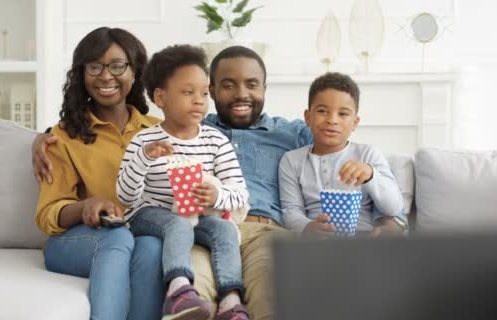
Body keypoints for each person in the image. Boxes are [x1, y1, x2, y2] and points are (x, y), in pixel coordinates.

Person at [34, 45, 409, 320]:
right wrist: (44, 136)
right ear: (210, 90)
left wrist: (394, 221)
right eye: (227, 85)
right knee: (192, 289)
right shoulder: (193, 129)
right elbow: (136, 131)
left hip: (266, 230)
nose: (241, 93)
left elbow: (346, 147)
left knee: (270, 291)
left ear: (265, 88)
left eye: (252, 84)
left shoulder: (295, 132)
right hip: (204, 227)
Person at [34, 27, 165, 320]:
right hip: (74, 243)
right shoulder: (63, 137)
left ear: (135, 72)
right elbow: (47, 215)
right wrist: (86, 207)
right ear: (82, 74)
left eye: (117, 65)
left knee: (152, 247)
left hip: (137, 234)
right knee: (117, 238)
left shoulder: (159, 131)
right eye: (94, 66)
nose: (106, 76)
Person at [116, 44, 250, 320]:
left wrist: (216, 196)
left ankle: (230, 301)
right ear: (161, 97)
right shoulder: (144, 141)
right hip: (150, 214)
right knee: (177, 224)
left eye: (204, 92)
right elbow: (125, 197)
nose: (200, 100)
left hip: (196, 217)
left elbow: (239, 193)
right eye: (188, 93)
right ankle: (179, 291)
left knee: (224, 230)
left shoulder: (216, 141)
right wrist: (143, 158)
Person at [278, 72, 407, 239]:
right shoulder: (292, 160)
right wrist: (307, 227)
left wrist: (370, 175)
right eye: (322, 111)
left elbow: (393, 207)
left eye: (343, 114)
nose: (332, 120)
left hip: (364, 239)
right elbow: (290, 211)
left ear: (355, 122)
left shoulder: (367, 154)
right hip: (317, 242)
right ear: (307, 117)